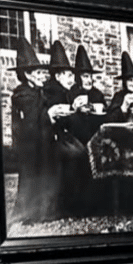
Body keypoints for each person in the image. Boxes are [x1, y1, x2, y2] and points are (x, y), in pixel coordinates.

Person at [10, 38, 57, 224]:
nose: (42, 76)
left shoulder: (38, 91)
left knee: (44, 174)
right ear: (28, 75)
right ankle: (28, 213)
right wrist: (50, 114)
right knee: (30, 177)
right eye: (38, 72)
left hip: (40, 140)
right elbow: (31, 119)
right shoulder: (22, 94)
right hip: (28, 143)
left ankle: (44, 211)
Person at [43, 39, 89, 218]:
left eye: (72, 75)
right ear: (58, 76)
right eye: (68, 75)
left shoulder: (67, 91)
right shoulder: (51, 92)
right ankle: (68, 206)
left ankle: (77, 203)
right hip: (53, 137)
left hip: (66, 136)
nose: (72, 78)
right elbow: (57, 119)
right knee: (76, 156)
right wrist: (73, 110)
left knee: (83, 153)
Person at [107, 52, 133, 122]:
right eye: (130, 80)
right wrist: (124, 106)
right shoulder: (118, 97)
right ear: (125, 82)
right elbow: (110, 120)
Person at [67, 45, 107, 111]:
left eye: (90, 77)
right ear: (78, 78)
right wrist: (73, 107)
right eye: (85, 76)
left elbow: (107, 115)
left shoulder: (98, 94)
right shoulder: (70, 93)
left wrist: (100, 107)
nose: (89, 80)